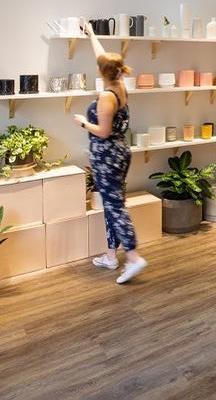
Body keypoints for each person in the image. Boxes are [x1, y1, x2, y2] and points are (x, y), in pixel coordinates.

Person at [74, 22, 147, 284]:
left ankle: (133, 257)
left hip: (107, 155)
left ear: (100, 72)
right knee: (112, 203)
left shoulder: (107, 96)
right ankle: (110, 256)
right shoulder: (120, 85)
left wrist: (83, 122)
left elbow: (103, 132)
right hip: (119, 153)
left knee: (115, 206)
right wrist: (91, 34)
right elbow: (103, 57)